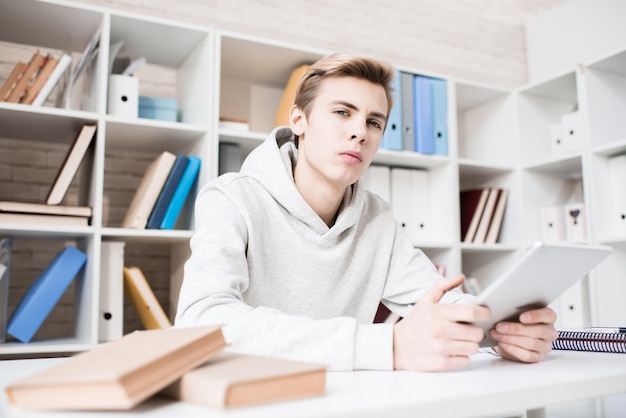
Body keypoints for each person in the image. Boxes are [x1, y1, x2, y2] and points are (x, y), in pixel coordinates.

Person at [175, 53, 557, 372]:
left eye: (374, 122)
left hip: (346, 399)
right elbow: (201, 322)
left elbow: (435, 300)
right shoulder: (231, 198)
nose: (360, 132)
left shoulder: (377, 218)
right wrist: (384, 345)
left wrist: (502, 327)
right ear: (298, 121)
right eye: (343, 112)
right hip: (252, 399)